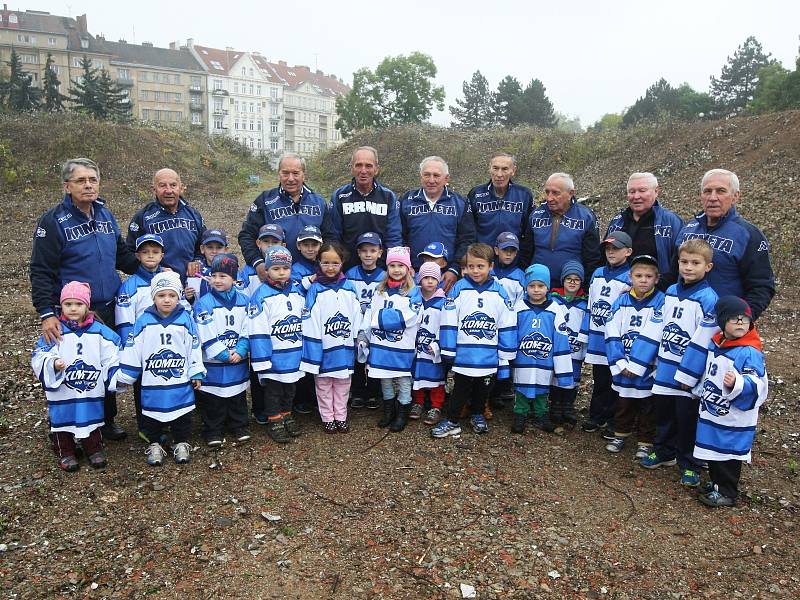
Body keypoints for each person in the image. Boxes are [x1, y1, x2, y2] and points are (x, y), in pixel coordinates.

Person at [30, 157, 138, 440]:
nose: (88, 185)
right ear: (67, 186)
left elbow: (122, 255)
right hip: (73, 310)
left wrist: (151, 271)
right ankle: (71, 428)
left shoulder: (105, 215)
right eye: (81, 180)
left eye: (92, 180)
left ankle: (106, 420)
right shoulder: (53, 221)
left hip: (109, 304)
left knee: (104, 361)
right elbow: (41, 269)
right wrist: (46, 312)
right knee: (76, 366)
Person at [628, 239, 719, 487]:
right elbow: (656, 327)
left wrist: (688, 375)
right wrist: (639, 363)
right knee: (664, 412)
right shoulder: (670, 292)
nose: (689, 267)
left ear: (708, 266)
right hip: (665, 368)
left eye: (695, 263)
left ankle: (689, 462)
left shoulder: (709, 299)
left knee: (686, 418)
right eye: (684, 262)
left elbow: (704, 340)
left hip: (688, 374)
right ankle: (664, 450)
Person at [675, 296, 768, 507]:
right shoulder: (718, 343)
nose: (740, 323)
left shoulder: (749, 351)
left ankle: (727, 491)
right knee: (714, 452)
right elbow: (711, 373)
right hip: (713, 409)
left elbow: (758, 382)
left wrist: (739, 383)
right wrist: (699, 389)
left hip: (732, 416)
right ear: (723, 321)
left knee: (728, 455)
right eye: (734, 319)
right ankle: (717, 484)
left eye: (744, 320)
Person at [117, 272, 205, 466]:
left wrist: (196, 370)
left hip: (179, 379)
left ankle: (181, 442)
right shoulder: (143, 320)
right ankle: (155, 444)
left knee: (182, 414)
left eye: (172, 295)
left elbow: (194, 346)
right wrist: (127, 374)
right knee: (151, 414)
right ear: (153, 297)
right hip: (153, 380)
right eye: (161, 295)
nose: (167, 300)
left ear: (179, 297)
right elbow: (133, 347)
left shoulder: (185, 319)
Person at [31, 281, 120, 471]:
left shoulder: (99, 331)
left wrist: (114, 372)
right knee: (63, 418)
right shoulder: (55, 330)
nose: (73, 308)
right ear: (61, 305)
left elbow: (114, 351)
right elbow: (39, 354)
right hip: (64, 390)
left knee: (92, 417)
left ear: (87, 305)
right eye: (68, 304)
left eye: (78, 304)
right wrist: (52, 363)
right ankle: (66, 451)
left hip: (89, 387)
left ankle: (93, 449)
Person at [431, 243, 516, 437]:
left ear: (490, 266)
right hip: (464, 354)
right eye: (471, 266)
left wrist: (505, 354)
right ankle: (452, 420)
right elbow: (449, 320)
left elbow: (507, 323)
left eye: (480, 266)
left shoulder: (500, 292)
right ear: (465, 267)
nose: (475, 271)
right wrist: (449, 349)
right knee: (460, 388)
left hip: (488, 355)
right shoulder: (459, 289)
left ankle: (477, 414)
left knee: (483, 389)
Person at [115, 233, 190, 439]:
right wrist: (129, 348)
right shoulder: (130, 286)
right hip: (143, 346)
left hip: (171, 344)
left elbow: (183, 309)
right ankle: (147, 427)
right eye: (145, 252)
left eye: (155, 252)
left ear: (162, 255)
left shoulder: (170, 279)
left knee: (170, 381)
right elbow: (124, 321)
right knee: (143, 386)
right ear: (137, 255)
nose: (150, 256)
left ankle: (172, 423)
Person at [673, 169, 775, 320]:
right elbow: (672, 273)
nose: (713, 197)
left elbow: (761, 286)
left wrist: (742, 320)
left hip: (721, 325)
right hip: (681, 319)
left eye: (721, 191)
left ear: (735, 196)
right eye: (707, 191)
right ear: (701, 196)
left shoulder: (749, 234)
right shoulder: (687, 229)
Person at [604, 255, 666, 457]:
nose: (643, 280)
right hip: (623, 364)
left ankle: (645, 441)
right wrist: (620, 363)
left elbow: (657, 335)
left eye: (649, 276)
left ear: (656, 279)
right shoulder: (621, 301)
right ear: (630, 277)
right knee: (623, 402)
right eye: (638, 275)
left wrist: (641, 364)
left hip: (647, 367)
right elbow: (611, 331)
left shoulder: (661, 302)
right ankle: (620, 434)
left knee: (648, 406)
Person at [299, 242, 362, 433]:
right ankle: (327, 417)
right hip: (324, 346)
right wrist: (315, 345)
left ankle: (341, 415)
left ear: (342, 262)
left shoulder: (349, 287)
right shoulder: (315, 289)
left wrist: (356, 337)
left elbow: (357, 313)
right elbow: (309, 318)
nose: (330, 267)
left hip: (344, 345)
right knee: (324, 383)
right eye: (325, 263)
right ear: (319, 262)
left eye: (335, 263)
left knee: (343, 382)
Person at [359, 247, 423, 433]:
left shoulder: (413, 292)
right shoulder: (379, 290)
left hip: (401, 346)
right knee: (384, 379)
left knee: (403, 380)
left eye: (401, 266)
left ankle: (402, 413)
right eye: (392, 265)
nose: (396, 269)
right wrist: (365, 334)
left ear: (408, 268)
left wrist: (379, 319)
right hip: (381, 346)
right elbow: (369, 314)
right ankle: (388, 411)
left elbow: (411, 317)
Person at [248, 246, 306, 443]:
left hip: (294, 352)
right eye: (276, 269)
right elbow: (257, 328)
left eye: (285, 268)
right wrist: (262, 358)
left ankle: (287, 414)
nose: (281, 272)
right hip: (273, 355)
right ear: (267, 269)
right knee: (273, 390)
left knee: (290, 388)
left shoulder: (297, 291)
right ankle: (274, 419)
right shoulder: (261, 295)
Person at [193, 254, 251, 447]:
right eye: (214, 275)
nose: (217, 280)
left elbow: (248, 327)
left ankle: (239, 425)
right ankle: (213, 429)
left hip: (238, 359)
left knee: (237, 396)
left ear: (234, 279)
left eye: (223, 276)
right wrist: (224, 354)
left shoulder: (245, 301)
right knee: (213, 399)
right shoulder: (204, 303)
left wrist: (241, 350)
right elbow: (205, 332)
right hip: (215, 362)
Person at [239, 153, 328, 276]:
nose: (290, 178)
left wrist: (325, 264)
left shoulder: (319, 202)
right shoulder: (265, 200)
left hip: (311, 273)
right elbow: (247, 235)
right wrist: (257, 262)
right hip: (275, 274)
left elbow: (331, 237)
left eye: (296, 173)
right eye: (285, 173)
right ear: (279, 174)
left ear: (304, 175)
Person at [579, 231, 633, 434]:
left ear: (628, 251)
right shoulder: (597, 273)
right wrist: (585, 334)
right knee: (600, 378)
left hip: (616, 340)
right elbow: (591, 305)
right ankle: (597, 416)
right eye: (608, 249)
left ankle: (614, 420)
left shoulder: (631, 277)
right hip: (597, 336)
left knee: (616, 381)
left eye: (616, 249)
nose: (611, 252)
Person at [510, 264, 573, 435]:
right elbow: (511, 333)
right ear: (526, 287)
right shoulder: (519, 308)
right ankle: (520, 414)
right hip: (523, 359)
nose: (536, 290)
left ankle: (541, 414)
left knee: (543, 388)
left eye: (541, 286)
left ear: (548, 287)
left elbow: (561, 339)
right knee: (521, 388)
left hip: (545, 359)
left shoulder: (554, 309)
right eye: (532, 286)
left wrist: (563, 369)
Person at [399, 156, 476, 293]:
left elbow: (467, 239)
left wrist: (455, 269)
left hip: (446, 276)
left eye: (436, 175)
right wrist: (404, 264)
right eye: (427, 175)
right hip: (413, 273)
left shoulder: (460, 202)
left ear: (446, 179)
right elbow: (399, 236)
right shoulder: (406, 200)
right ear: (420, 176)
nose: (431, 180)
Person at [323, 146, 401, 268]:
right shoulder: (339, 196)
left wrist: (394, 266)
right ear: (352, 168)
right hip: (347, 269)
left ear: (376, 169)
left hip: (381, 269)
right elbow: (334, 237)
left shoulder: (388, 197)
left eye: (369, 166)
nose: (363, 170)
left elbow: (394, 236)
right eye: (358, 165)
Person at [519, 172, 602, 287]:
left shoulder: (586, 217)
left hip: (571, 287)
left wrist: (587, 286)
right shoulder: (536, 215)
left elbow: (592, 257)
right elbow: (526, 252)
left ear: (571, 193)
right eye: (547, 192)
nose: (549, 198)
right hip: (538, 286)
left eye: (555, 193)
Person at [605, 173, 684, 290]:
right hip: (618, 291)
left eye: (642, 190)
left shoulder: (671, 222)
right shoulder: (618, 221)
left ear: (656, 191)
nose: (636, 196)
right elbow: (604, 255)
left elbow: (680, 262)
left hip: (657, 293)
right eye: (632, 192)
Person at [126, 168, 205, 280]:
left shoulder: (193, 215)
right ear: (154, 189)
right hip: (159, 287)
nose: (168, 190)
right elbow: (129, 253)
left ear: (181, 188)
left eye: (173, 185)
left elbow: (204, 246)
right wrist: (154, 270)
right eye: (162, 185)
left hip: (191, 283)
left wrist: (197, 261)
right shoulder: (143, 217)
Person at [345, 232, 386, 410]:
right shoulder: (350, 274)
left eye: (372, 250)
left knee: (375, 356)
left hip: (375, 324)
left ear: (380, 253)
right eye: (364, 250)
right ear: (358, 253)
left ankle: (373, 393)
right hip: (356, 323)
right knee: (357, 357)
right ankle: (359, 391)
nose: (368, 254)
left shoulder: (385, 275)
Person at [549, 261, 588, 429]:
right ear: (563, 280)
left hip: (575, 346)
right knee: (556, 374)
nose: (572, 282)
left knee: (573, 375)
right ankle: (556, 404)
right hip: (557, 346)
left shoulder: (585, 303)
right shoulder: (553, 299)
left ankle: (568, 405)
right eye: (569, 279)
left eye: (577, 279)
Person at [467, 152, 534, 247]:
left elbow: (529, 232)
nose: (499, 174)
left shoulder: (524, 195)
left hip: (512, 256)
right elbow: (468, 229)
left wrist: (523, 259)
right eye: (495, 168)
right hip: (483, 257)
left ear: (513, 170)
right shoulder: (476, 193)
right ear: (489, 169)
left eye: (505, 169)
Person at [410, 262, 447, 425]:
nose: (430, 281)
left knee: (435, 376)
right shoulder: (412, 298)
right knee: (415, 374)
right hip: (416, 346)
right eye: (426, 277)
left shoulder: (443, 302)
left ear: (438, 280)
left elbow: (446, 325)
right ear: (420, 279)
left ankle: (436, 406)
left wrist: (438, 344)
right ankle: (417, 402)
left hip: (432, 347)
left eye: (433, 278)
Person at [238, 224, 286, 297]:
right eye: (266, 241)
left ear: (283, 245)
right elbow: (241, 294)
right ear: (258, 243)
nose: (270, 245)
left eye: (275, 242)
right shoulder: (249, 270)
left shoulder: (287, 268)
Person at [185, 228, 229, 303]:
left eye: (219, 247)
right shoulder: (196, 270)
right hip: (202, 311)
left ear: (226, 250)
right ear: (202, 249)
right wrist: (189, 297)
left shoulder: (231, 270)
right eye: (210, 247)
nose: (214, 251)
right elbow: (192, 301)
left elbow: (238, 294)